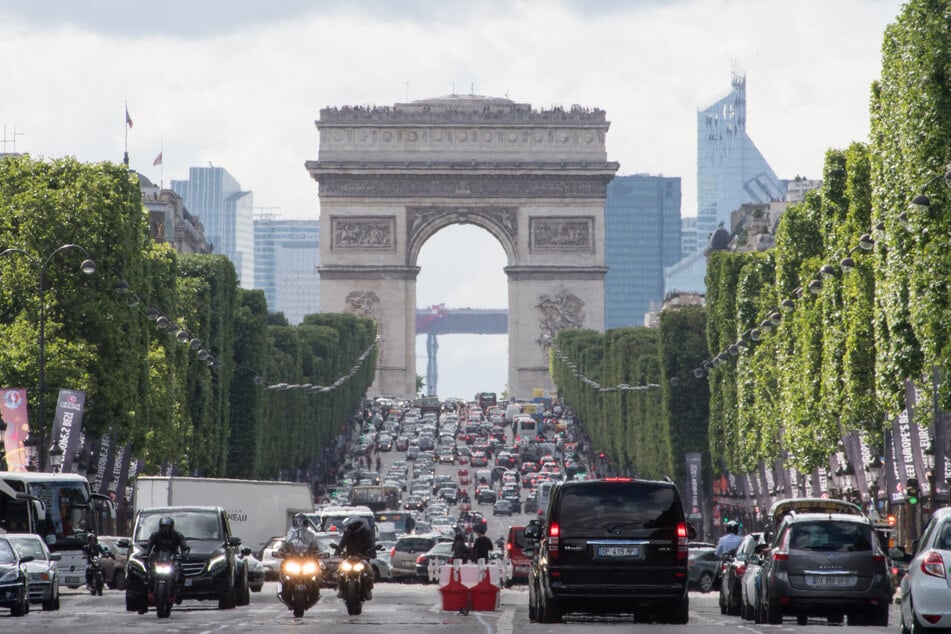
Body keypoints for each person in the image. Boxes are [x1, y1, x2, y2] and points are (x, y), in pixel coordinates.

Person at [143, 516, 189, 614]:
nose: (165, 529)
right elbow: (149, 545)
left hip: (171, 559)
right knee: (147, 576)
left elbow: (183, 544)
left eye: (167, 527)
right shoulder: (155, 535)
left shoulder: (176, 535)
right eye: (163, 527)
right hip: (159, 560)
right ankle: (145, 600)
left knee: (180, 573)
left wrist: (185, 552)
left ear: (171, 527)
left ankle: (179, 592)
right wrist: (146, 553)